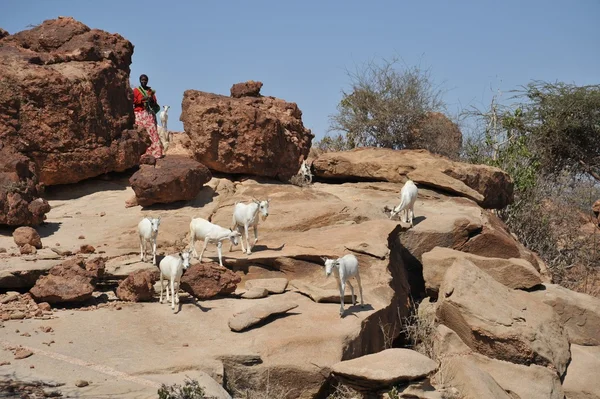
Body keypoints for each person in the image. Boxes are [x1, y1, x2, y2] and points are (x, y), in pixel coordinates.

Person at [133, 74, 163, 158]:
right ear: (140, 80)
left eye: (145, 80)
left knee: (153, 132)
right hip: (139, 114)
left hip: (149, 114)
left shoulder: (150, 91)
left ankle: (155, 152)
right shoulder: (136, 90)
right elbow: (133, 101)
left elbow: (155, 104)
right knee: (141, 133)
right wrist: (142, 99)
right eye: (142, 80)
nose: (144, 81)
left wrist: (150, 100)